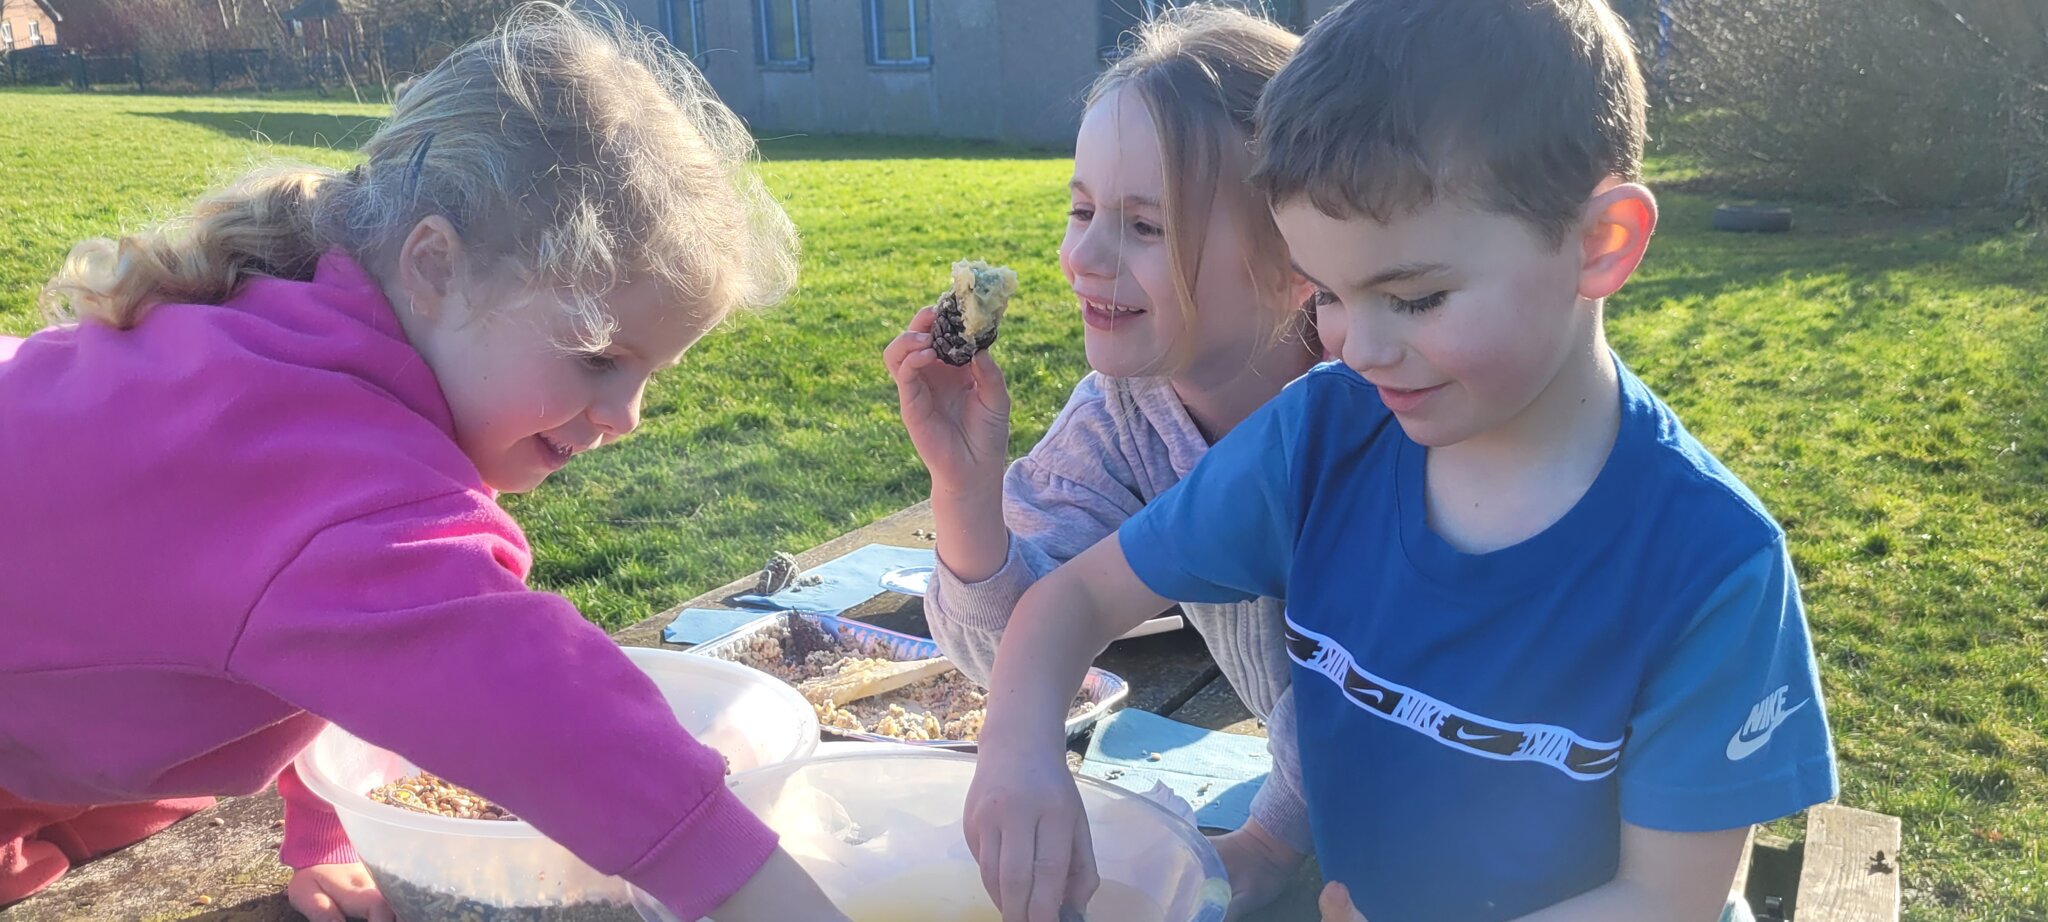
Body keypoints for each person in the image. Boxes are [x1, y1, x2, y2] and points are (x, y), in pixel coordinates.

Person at [961, 1, 1838, 920]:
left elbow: (1669, 901)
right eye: (1332, 294)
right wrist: (1019, 754)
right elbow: (1073, 599)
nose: (1358, 349)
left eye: (1414, 298)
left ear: (1600, 242)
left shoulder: (1708, 565)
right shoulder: (1321, 436)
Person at [0, 5, 848, 920]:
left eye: (648, 374)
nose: (626, 416)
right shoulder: (340, 487)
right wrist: (756, 886)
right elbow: (547, 714)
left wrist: (326, 832)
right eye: (600, 357)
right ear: (435, 264)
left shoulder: (296, 345)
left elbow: (321, 620)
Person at [883, 4, 1322, 914]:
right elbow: (1013, 650)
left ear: (1297, 261)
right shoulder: (1127, 412)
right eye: (1081, 209)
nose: (1082, 254)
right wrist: (967, 495)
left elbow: (1375, 678)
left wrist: (1276, 837)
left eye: (1144, 226)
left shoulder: (1377, 414)